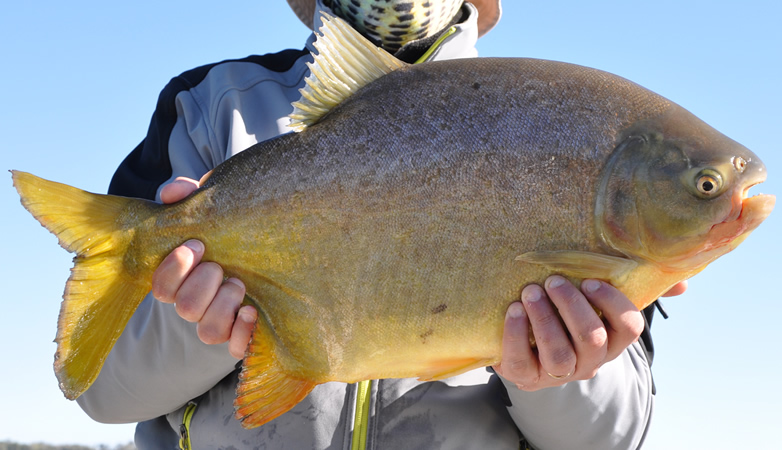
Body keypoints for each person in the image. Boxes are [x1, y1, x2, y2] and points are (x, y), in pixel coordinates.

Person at [76, 1, 687, 448]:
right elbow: (101, 391)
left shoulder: (561, 121)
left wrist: (553, 375)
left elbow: (615, 439)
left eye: (701, 188)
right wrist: (196, 324)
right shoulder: (211, 108)